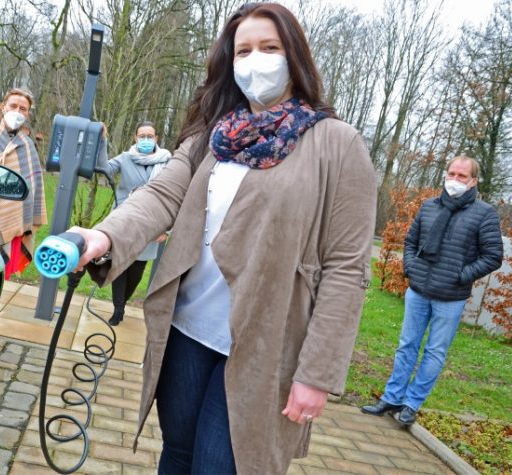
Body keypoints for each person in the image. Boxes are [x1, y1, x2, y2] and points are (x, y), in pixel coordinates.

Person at [66, 3, 377, 473]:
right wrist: (102, 236)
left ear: (294, 56)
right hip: (188, 329)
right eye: (243, 51)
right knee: (177, 454)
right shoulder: (215, 134)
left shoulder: (337, 144)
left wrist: (317, 373)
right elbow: (161, 195)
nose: (255, 60)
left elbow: (347, 268)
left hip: (265, 347)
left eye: (269, 47)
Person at [361, 156, 503, 427]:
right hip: (419, 289)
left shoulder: (484, 213)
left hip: (450, 297)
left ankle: (411, 404)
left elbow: (493, 256)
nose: (455, 179)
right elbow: (411, 241)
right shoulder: (429, 206)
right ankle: (392, 397)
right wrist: (411, 268)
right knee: (406, 346)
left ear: (473, 181)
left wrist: (461, 276)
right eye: (452, 173)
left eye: (462, 176)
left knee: (435, 352)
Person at [102, 121, 171, 326]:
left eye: (150, 136)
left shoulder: (168, 162)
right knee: (119, 265)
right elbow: (104, 169)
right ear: (135, 138)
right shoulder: (125, 158)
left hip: (151, 224)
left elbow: (174, 196)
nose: (146, 140)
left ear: (156, 138)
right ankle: (118, 309)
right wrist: (102, 140)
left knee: (136, 272)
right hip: (124, 221)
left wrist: (167, 228)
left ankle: (122, 301)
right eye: (142, 136)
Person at [0, 88, 46, 276]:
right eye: (13, 106)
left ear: (28, 114)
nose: (17, 111)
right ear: (3, 107)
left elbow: (32, 186)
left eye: (23, 109)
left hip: (11, 215)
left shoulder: (28, 146)